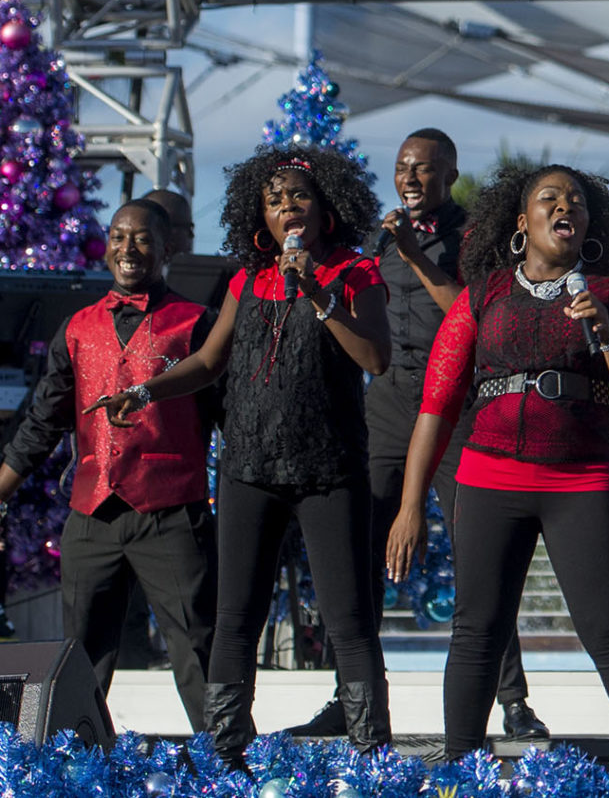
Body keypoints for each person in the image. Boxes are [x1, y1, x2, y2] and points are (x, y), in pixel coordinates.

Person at [93, 147, 395, 763]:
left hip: (329, 466)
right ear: (259, 213)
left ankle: (372, 758)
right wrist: (144, 391)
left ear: (325, 206)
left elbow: (375, 358)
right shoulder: (245, 278)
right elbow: (208, 362)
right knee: (235, 615)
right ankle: (226, 755)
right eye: (274, 198)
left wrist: (317, 292)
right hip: (249, 465)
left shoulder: (354, 273)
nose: (288, 207)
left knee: (349, 616)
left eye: (299, 196)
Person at [385, 160, 609, 755]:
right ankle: (460, 771)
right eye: (550, 198)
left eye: (577, 202)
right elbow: (436, 404)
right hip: (488, 479)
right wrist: (411, 505)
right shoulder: (484, 294)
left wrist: (608, 334)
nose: (566, 207)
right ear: (522, 221)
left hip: (582, 480)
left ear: (589, 223)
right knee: (477, 631)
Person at [297, 127, 544, 742]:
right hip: (389, 403)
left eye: (423, 169)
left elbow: (476, 315)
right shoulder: (374, 242)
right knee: (362, 548)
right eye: (403, 168)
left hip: (458, 405)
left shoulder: (475, 239)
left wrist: (413, 253)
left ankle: (512, 701)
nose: (409, 178)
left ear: (449, 174)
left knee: (479, 553)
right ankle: (351, 695)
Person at [0, 199, 217, 732]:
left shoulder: (197, 325)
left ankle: (228, 765)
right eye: (119, 236)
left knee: (198, 647)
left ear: (168, 247)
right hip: (92, 513)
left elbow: (229, 423)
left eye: (143, 238)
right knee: (80, 657)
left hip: (171, 510)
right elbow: (41, 422)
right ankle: (75, 766)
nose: (129, 248)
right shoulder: (78, 328)